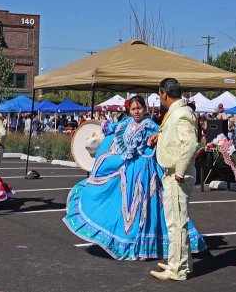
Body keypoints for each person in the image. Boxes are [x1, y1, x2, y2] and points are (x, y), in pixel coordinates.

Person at [63, 95, 206, 261]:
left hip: (146, 171)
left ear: (144, 108)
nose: (136, 112)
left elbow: (163, 143)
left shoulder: (151, 126)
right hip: (128, 170)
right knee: (122, 206)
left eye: (139, 108)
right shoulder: (126, 123)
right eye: (133, 109)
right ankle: (132, 241)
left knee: (145, 209)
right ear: (129, 110)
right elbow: (113, 130)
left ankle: (148, 245)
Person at [148, 78, 199, 281]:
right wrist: (158, 137)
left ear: (164, 93)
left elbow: (190, 143)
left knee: (176, 223)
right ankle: (180, 262)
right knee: (176, 220)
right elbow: (177, 137)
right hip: (173, 172)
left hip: (177, 174)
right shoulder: (178, 112)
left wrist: (178, 172)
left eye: (160, 95)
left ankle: (176, 269)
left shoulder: (181, 114)